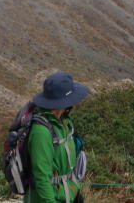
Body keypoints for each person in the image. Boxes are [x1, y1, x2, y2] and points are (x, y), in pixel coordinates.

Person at [25, 71, 89, 203]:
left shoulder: (63, 122)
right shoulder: (41, 132)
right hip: (49, 198)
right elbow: (42, 177)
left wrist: (75, 191)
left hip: (67, 194)